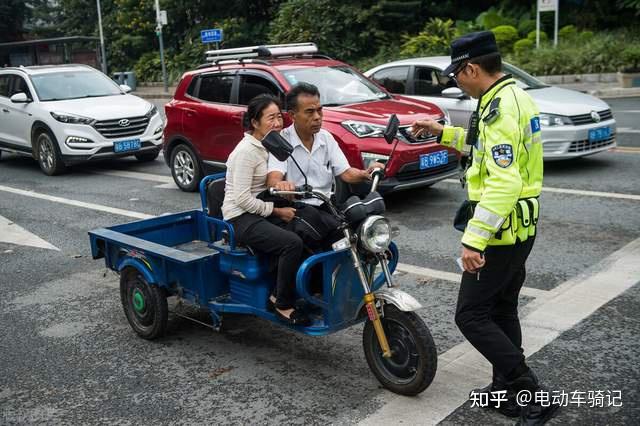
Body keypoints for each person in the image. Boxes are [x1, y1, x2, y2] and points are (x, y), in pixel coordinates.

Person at [410, 31, 557, 425]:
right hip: (521, 226)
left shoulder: (500, 108)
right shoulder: (511, 96)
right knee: (502, 307)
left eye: (457, 73)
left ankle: (531, 392)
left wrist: (474, 240)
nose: (456, 81)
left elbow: (503, 181)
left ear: (472, 68)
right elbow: (484, 147)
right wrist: (439, 131)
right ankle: (505, 389)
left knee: (471, 316)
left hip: (500, 231)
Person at [221, 94, 309, 326]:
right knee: (291, 243)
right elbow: (241, 199)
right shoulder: (246, 152)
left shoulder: (268, 145)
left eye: (279, 117)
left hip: (259, 208)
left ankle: (295, 287)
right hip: (240, 217)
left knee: (307, 227)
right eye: (271, 118)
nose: (278, 123)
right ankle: (281, 303)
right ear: (255, 123)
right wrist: (277, 212)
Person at [266, 82, 385, 244]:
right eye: (309, 112)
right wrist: (281, 185)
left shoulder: (326, 138)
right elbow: (273, 178)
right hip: (300, 208)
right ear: (293, 115)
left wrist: (366, 173)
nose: (317, 117)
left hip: (327, 204)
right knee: (335, 234)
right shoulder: (283, 141)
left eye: (319, 110)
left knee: (365, 218)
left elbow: (347, 173)